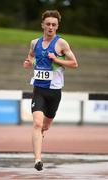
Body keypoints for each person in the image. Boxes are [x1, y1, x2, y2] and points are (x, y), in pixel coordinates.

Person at [23, 10, 78, 171]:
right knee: (37, 124)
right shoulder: (34, 42)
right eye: (48, 24)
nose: (50, 27)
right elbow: (31, 56)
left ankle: (42, 134)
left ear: (57, 26)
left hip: (54, 92)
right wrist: (29, 62)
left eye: (54, 24)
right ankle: (38, 160)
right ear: (42, 25)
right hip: (39, 89)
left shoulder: (62, 44)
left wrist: (56, 59)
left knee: (45, 127)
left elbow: (74, 63)